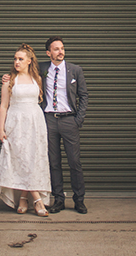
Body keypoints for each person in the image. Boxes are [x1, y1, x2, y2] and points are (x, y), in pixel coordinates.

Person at [0, 44, 51, 216]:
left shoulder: (37, 78)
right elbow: (3, 106)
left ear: (29, 61)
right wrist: (1, 128)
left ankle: (24, 198)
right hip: (16, 122)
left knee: (32, 159)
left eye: (20, 59)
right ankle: (37, 200)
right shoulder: (9, 80)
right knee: (20, 159)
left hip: (34, 122)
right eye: (15, 59)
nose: (16, 62)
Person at [41, 36, 89, 214]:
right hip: (49, 120)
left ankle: (79, 200)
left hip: (69, 120)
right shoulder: (42, 68)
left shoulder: (75, 70)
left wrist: (78, 120)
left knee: (74, 162)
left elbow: (84, 96)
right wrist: (8, 78)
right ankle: (58, 199)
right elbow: (23, 73)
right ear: (48, 53)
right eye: (56, 49)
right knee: (54, 162)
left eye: (62, 48)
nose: (60, 51)